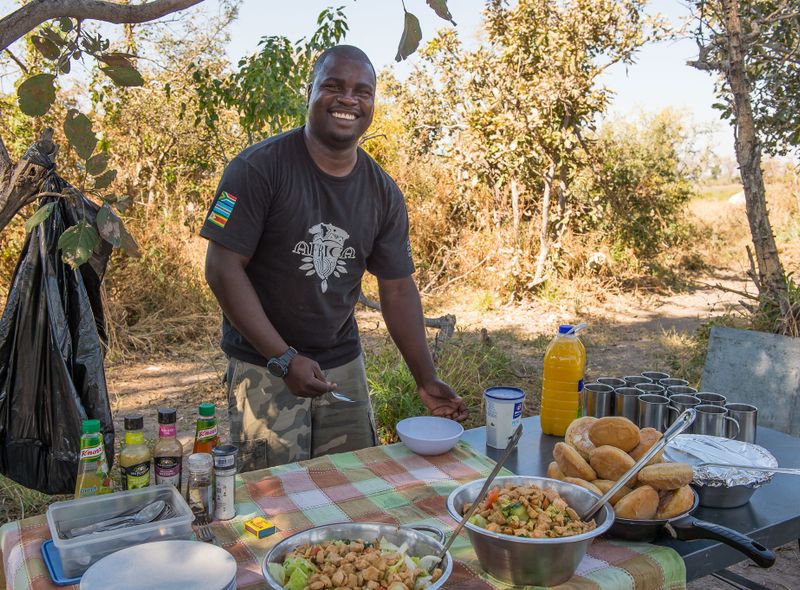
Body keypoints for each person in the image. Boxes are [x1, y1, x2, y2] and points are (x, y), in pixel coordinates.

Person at [200, 45, 468, 472]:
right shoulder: (256, 169)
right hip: (265, 367)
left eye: (363, 91)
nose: (349, 99)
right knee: (274, 497)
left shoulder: (383, 192)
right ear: (309, 92)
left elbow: (397, 288)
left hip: (341, 363)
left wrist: (425, 377)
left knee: (355, 486)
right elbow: (221, 268)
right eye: (333, 86)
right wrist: (283, 358)